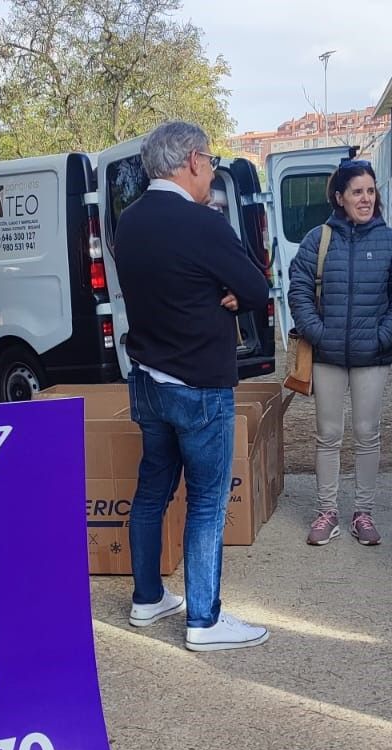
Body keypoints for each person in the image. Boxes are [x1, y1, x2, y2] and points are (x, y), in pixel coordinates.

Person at [111, 120, 272, 652]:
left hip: (148, 381)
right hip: (199, 383)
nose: (211, 173)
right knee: (205, 502)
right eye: (210, 163)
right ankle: (204, 620)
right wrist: (225, 293)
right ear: (194, 161)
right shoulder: (204, 223)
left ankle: (147, 597)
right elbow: (254, 287)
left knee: (152, 490)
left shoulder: (126, 223)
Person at [287, 159, 392, 546]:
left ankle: (363, 512)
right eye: (357, 192)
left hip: (371, 357)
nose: (365, 199)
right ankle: (327, 511)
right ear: (340, 197)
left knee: (367, 433)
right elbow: (299, 289)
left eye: (371, 191)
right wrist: (317, 332)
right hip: (327, 355)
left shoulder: (391, 241)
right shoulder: (318, 239)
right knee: (327, 434)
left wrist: (383, 336)